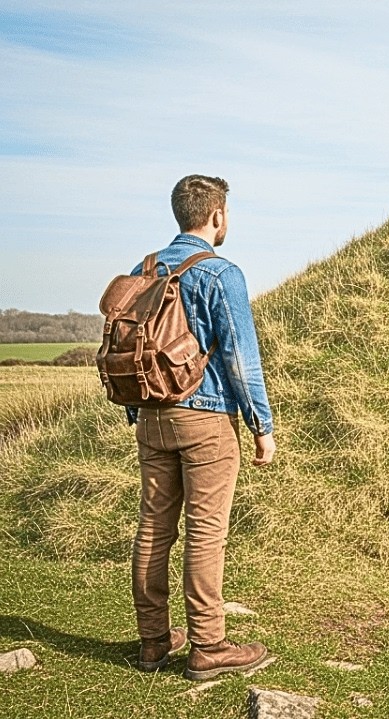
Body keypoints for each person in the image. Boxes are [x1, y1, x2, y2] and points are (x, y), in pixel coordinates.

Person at [127, 174, 276, 680]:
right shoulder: (220, 273)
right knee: (205, 532)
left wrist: (139, 412)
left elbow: (130, 349)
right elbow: (239, 358)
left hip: (151, 416)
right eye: (226, 212)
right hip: (206, 418)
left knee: (153, 527)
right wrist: (261, 424)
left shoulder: (143, 269)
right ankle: (209, 645)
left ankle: (153, 642)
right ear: (216, 215)